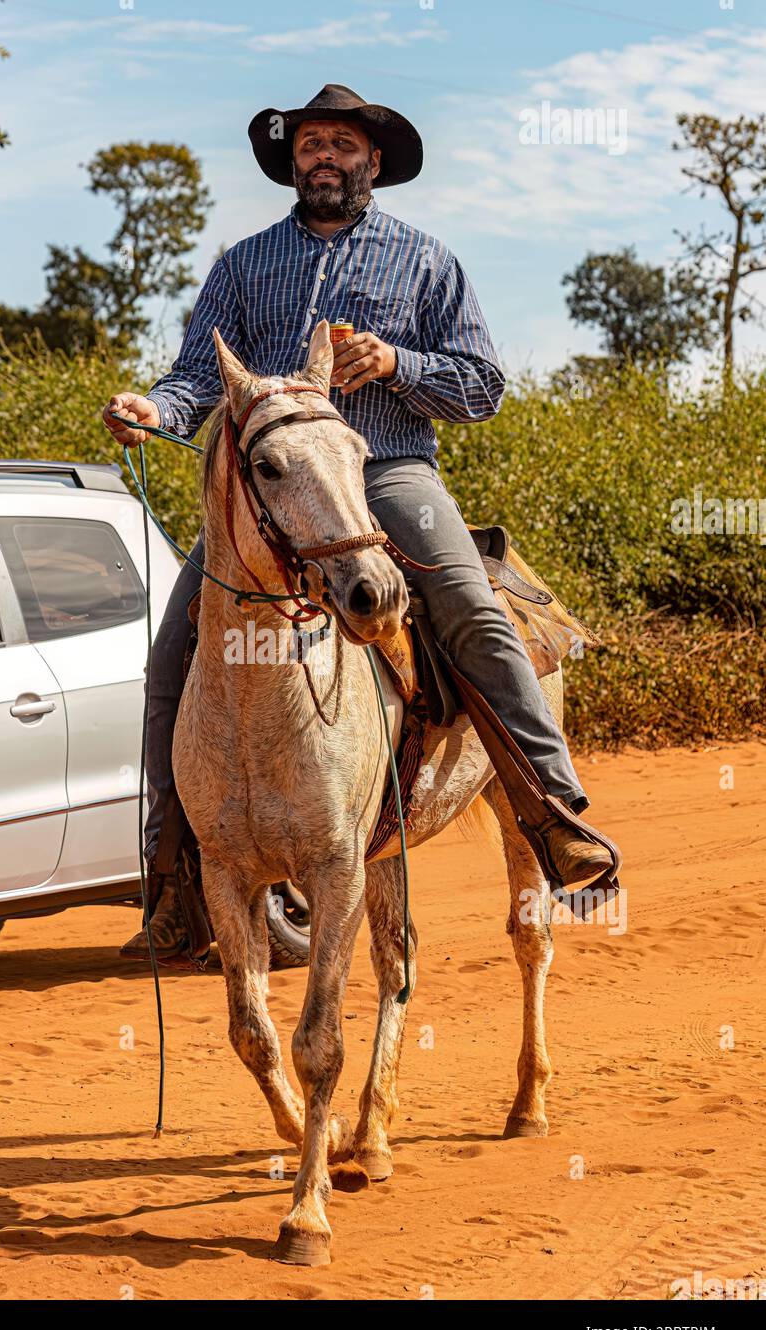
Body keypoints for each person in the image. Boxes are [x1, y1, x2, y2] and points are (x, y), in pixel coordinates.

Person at [102, 83, 618, 960]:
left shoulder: (426, 261)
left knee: (471, 610)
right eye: (310, 145)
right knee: (171, 660)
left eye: (341, 144)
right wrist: (153, 408)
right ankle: (177, 880)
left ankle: (555, 814)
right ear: (291, 162)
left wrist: (395, 361)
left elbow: (481, 387)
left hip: (385, 473)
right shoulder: (242, 264)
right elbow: (197, 377)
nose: (324, 158)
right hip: (267, 490)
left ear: (373, 162)